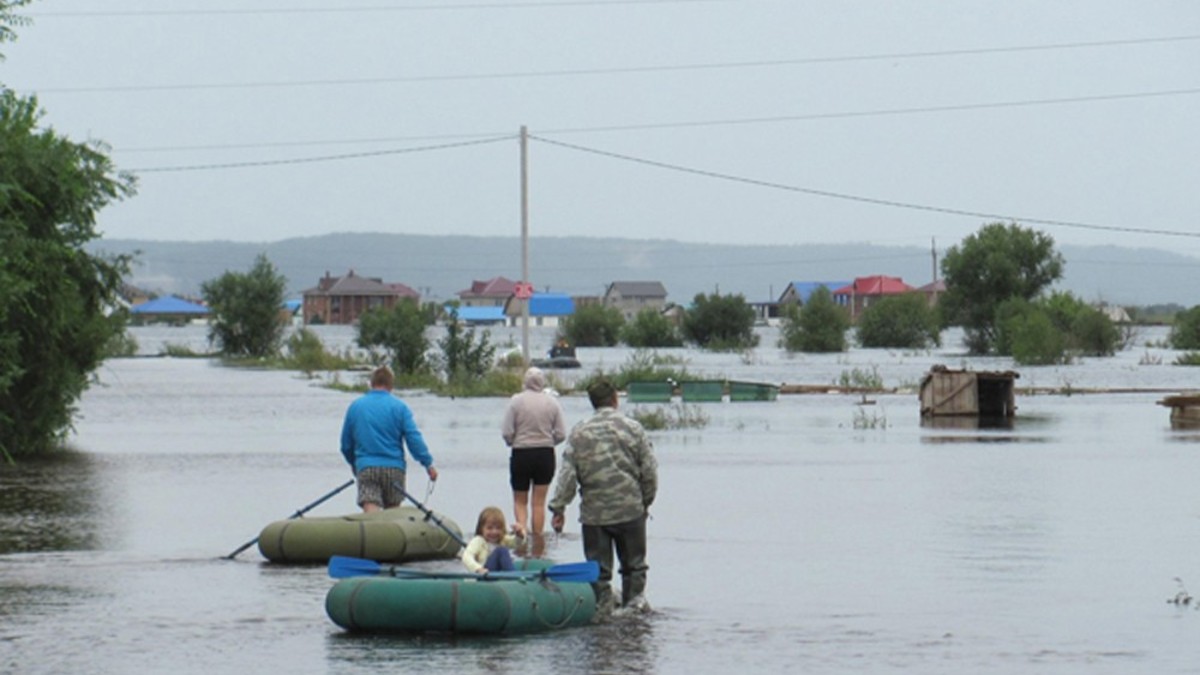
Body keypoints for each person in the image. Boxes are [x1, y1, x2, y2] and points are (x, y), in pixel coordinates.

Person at [549, 379, 658, 616]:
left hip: (594, 515)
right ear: (615, 399)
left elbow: (568, 475)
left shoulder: (579, 432)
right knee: (634, 567)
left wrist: (558, 508)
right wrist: (645, 502)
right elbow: (649, 472)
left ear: (592, 402)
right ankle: (634, 618)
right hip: (630, 510)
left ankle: (602, 619)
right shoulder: (633, 428)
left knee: (598, 571)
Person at [340, 365, 438, 512]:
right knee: (393, 513)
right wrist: (428, 464)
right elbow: (413, 439)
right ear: (391, 386)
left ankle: (372, 531)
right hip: (394, 469)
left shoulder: (356, 407)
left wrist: (354, 464)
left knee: (371, 510)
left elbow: (346, 445)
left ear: (371, 383)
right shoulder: (400, 407)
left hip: (367, 467)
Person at [501, 366, 566, 535]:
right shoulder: (552, 402)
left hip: (521, 454)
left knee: (520, 500)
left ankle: (522, 532)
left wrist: (513, 442)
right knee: (538, 502)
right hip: (545, 455)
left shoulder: (516, 401)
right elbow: (561, 433)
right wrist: (548, 442)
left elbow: (507, 432)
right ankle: (538, 539)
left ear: (525, 382)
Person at [462, 506, 526, 574]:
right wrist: (478, 568)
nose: (494, 532)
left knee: (503, 550)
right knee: (501, 550)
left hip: (497, 574)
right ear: (481, 528)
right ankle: (514, 577)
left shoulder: (503, 540)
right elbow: (466, 557)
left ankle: (513, 575)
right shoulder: (478, 541)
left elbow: (517, 543)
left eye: (498, 528)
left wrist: (519, 535)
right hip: (483, 574)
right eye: (489, 528)